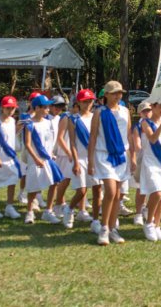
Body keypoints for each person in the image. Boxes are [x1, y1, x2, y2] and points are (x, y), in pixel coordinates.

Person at [88, 81, 133, 245]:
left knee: (118, 194)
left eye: (119, 93)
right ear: (106, 94)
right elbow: (93, 136)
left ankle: (112, 228)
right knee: (110, 190)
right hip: (104, 155)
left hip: (121, 155)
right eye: (114, 93)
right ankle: (104, 228)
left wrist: (133, 157)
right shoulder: (99, 112)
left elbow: (129, 134)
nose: (117, 96)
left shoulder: (125, 111)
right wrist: (90, 160)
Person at [63, 89, 102, 230]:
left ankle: (96, 220)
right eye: (85, 101)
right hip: (81, 158)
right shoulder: (73, 119)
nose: (88, 104)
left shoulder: (97, 117)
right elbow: (72, 142)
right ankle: (69, 209)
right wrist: (76, 162)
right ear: (78, 102)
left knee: (97, 189)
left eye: (90, 101)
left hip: (95, 158)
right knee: (82, 190)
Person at [23, 94, 64, 225]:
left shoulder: (48, 123)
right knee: (33, 186)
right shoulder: (30, 124)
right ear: (37, 108)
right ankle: (30, 212)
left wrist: (51, 153)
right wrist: (35, 159)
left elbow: (49, 140)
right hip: (35, 159)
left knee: (55, 182)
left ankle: (48, 211)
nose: (48, 109)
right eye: (45, 107)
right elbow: (28, 144)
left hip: (47, 158)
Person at [139, 101, 161, 242]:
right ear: (152, 107)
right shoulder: (145, 122)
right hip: (151, 161)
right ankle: (149, 223)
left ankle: (157, 226)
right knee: (157, 193)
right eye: (160, 106)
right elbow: (153, 139)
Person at [131, 102, 152, 226]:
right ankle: (138, 214)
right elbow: (137, 145)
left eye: (149, 110)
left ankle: (147, 209)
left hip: (154, 158)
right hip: (143, 158)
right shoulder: (137, 126)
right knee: (141, 188)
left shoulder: (154, 123)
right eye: (144, 111)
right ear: (140, 113)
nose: (147, 113)